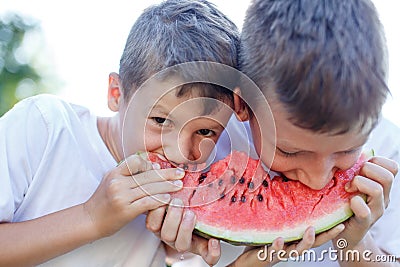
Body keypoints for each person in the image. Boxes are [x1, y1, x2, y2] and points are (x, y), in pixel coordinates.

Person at [147, 0, 400, 266]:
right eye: (289, 151)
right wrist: (173, 250)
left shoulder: (387, 154)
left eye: (348, 150)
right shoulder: (208, 140)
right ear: (242, 105)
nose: (318, 179)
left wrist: (355, 242)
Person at [0, 0, 241, 266]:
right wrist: (91, 217)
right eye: (161, 120)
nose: (181, 152)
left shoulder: (196, 194)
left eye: (205, 131)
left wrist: (175, 253)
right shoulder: (46, 125)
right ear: (116, 93)